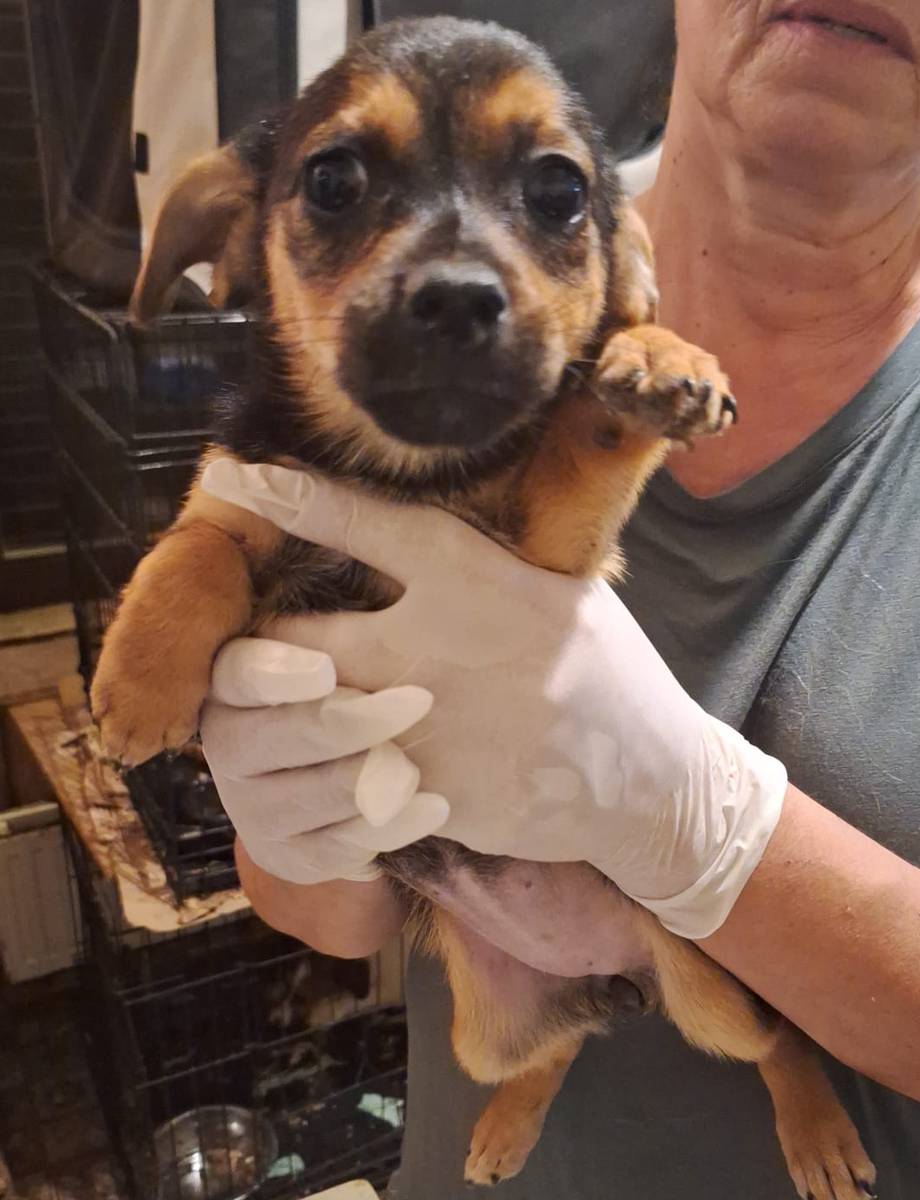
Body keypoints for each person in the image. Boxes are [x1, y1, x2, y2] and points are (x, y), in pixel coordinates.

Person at [198, 2, 920, 1196]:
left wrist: (706, 831)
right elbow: (326, 914)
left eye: (546, 198)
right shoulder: (397, 375)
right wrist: (301, 807)